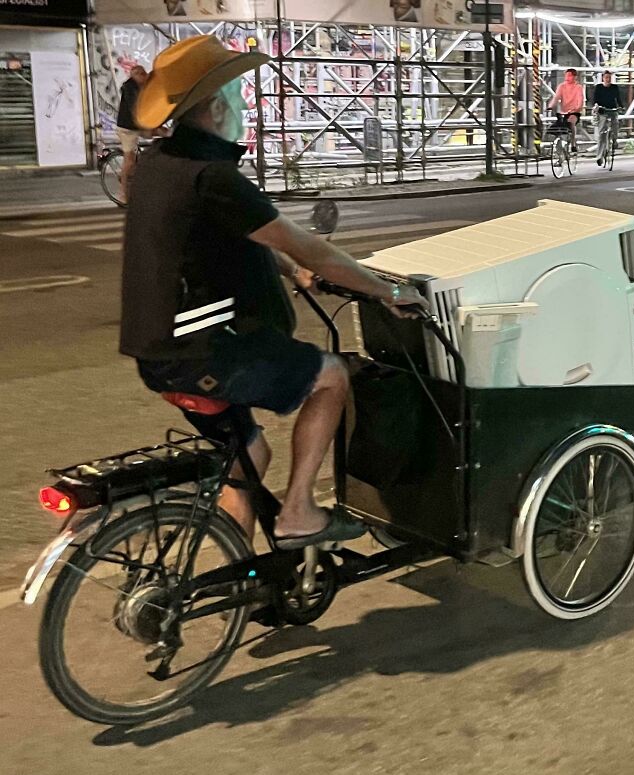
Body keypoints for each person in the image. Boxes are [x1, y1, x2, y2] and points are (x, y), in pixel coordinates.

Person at [120, 35, 427, 550]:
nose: (246, 107)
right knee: (331, 376)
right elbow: (310, 247)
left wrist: (289, 271)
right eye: (239, 97)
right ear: (217, 107)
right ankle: (298, 512)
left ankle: (237, 572)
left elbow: (226, 237)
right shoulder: (212, 176)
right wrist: (387, 291)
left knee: (250, 457)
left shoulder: (159, 164)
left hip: (156, 354)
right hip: (204, 353)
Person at [115, 64, 149, 203]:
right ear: (133, 76)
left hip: (137, 126)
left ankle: (135, 180)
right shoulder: (129, 88)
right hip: (127, 128)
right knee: (129, 160)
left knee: (162, 134)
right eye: (139, 74)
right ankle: (122, 192)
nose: (143, 76)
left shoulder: (145, 86)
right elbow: (134, 109)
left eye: (144, 73)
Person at [592, 70, 624, 166]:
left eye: (609, 77)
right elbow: (595, 99)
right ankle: (599, 156)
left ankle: (615, 140)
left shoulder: (614, 87)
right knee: (602, 133)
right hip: (603, 111)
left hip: (612, 110)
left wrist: (621, 107)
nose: (608, 79)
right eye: (606, 77)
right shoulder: (599, 87)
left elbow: (618, 99)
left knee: (615, 125)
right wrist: (597, 106)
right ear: (603, 78)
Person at [548, 67, 584, 152]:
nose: (567, 78)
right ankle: (555, 149)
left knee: (571, 122)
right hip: (563, 112)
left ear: (575, 77)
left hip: (574, 112)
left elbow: (580, 100)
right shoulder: (562, 86)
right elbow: (556, 97)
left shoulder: (578, 87)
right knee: (555, 128)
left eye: (569, 76)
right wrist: (550, 106)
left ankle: (573, 143)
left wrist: (577, 108)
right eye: (566, 76)